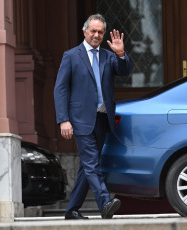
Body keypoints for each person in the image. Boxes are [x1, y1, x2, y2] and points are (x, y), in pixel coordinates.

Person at [54, 14, 131, 220]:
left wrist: (121, 53)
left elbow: (124, 71)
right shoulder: (71, 56)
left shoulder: (108, 56)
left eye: (100, 32)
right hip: (80, 119)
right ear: (85, 31)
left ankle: (72, 210)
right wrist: (63, 119)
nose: (96, 35)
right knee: (91, 164)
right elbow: (60, 89)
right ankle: (104, 202)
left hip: (103, 119)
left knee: (88, 166)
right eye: (93, 31)